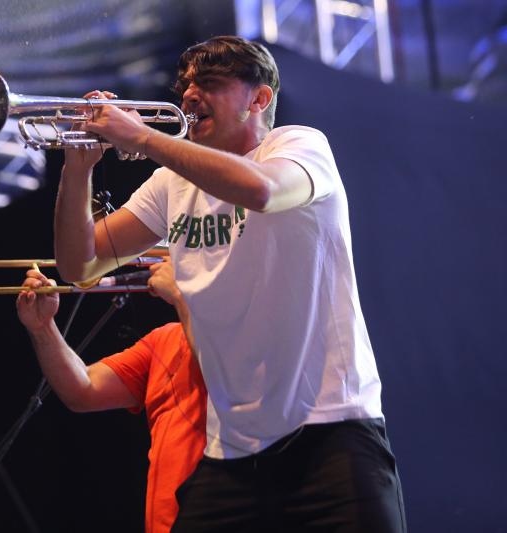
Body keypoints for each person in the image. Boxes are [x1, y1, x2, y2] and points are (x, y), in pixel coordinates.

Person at [53, 35, 406, 532]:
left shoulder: (298, 145)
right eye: (186, 85)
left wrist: (144, 139)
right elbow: (79, 265)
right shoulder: (171, 183)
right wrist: (78, 169)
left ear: (259, 99)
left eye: (211, 83)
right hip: (233, 450)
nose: (189, 94)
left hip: (331, 433)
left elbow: (261, 191)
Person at [16, 260, 207, 533]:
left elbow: (221, 374)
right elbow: (83, 390)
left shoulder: (250, 342)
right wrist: (43, 327)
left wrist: (181, 296)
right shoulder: (165, 339)